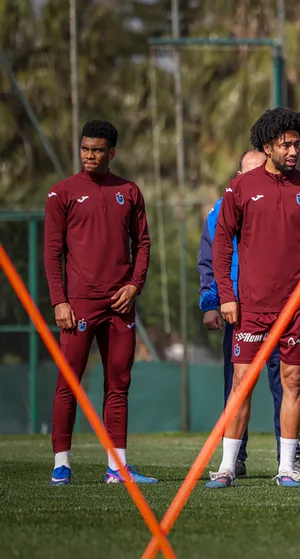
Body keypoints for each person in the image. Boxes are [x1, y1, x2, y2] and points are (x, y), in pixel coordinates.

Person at [208, 107, 300, 489]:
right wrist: (226, 295)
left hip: (299, 306)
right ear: (267, 146)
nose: (293, 151)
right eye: (286, 145)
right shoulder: (240, 187)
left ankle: (286, 467)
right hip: (251, 306)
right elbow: (221, 244)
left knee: (292, 381)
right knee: (242, 383)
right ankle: (227, 467)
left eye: (297, 144)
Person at [44, 120, 157, 485]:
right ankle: (61, 463)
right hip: (78, 305)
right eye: (85, 149)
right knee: (69, 383)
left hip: (120, 305)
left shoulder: (129, 191)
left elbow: (143, 243)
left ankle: (116, 467)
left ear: (112, 152)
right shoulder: (61, 193)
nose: (89, 155)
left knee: (118, 384)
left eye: (96, 150)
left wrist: (134, 286)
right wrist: (59, 300)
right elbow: (52, 252)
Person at [197, 149, 300, 480]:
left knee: (288, 383)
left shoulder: (285, 197)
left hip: (285, 310)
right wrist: (212, 302)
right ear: (238, 176)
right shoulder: (222, 209)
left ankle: (289, 460)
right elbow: (209, 259)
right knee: (238, 385)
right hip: (239, 310)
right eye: (248, 172)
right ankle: (234, 459)